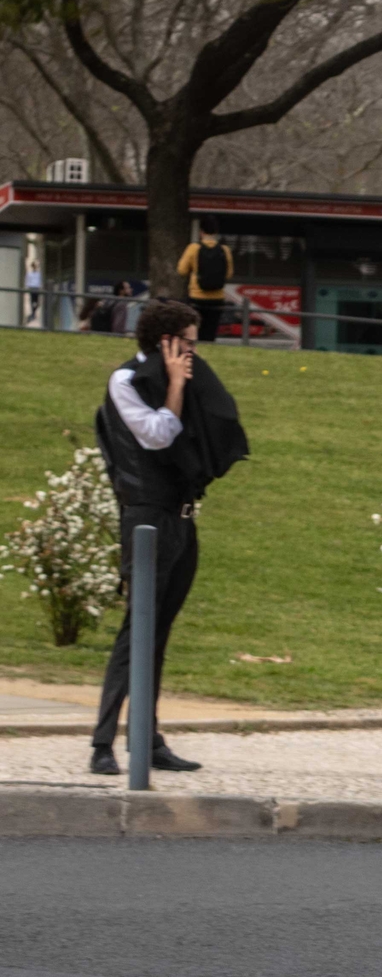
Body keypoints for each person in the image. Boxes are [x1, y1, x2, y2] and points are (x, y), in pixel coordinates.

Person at [90, 300, 250, 776]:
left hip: (181, 519)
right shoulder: (125, 382)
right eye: (189, 342)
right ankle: (102, 744)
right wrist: (176, 386)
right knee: (136, 630)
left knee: (158, 633)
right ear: (166, 342)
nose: (195, 353)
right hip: (146, 520)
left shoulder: (192, 380)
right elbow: (158, 435)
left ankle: (148, 738)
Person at [175, 225, 233, 342]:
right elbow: (229, 274)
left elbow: (181, 270)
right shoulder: (225, 250)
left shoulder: (193, 248)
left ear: (201, 232)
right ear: (216, 232)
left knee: (194, 332)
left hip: (197, 297)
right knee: (210, 333)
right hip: (217, 298)